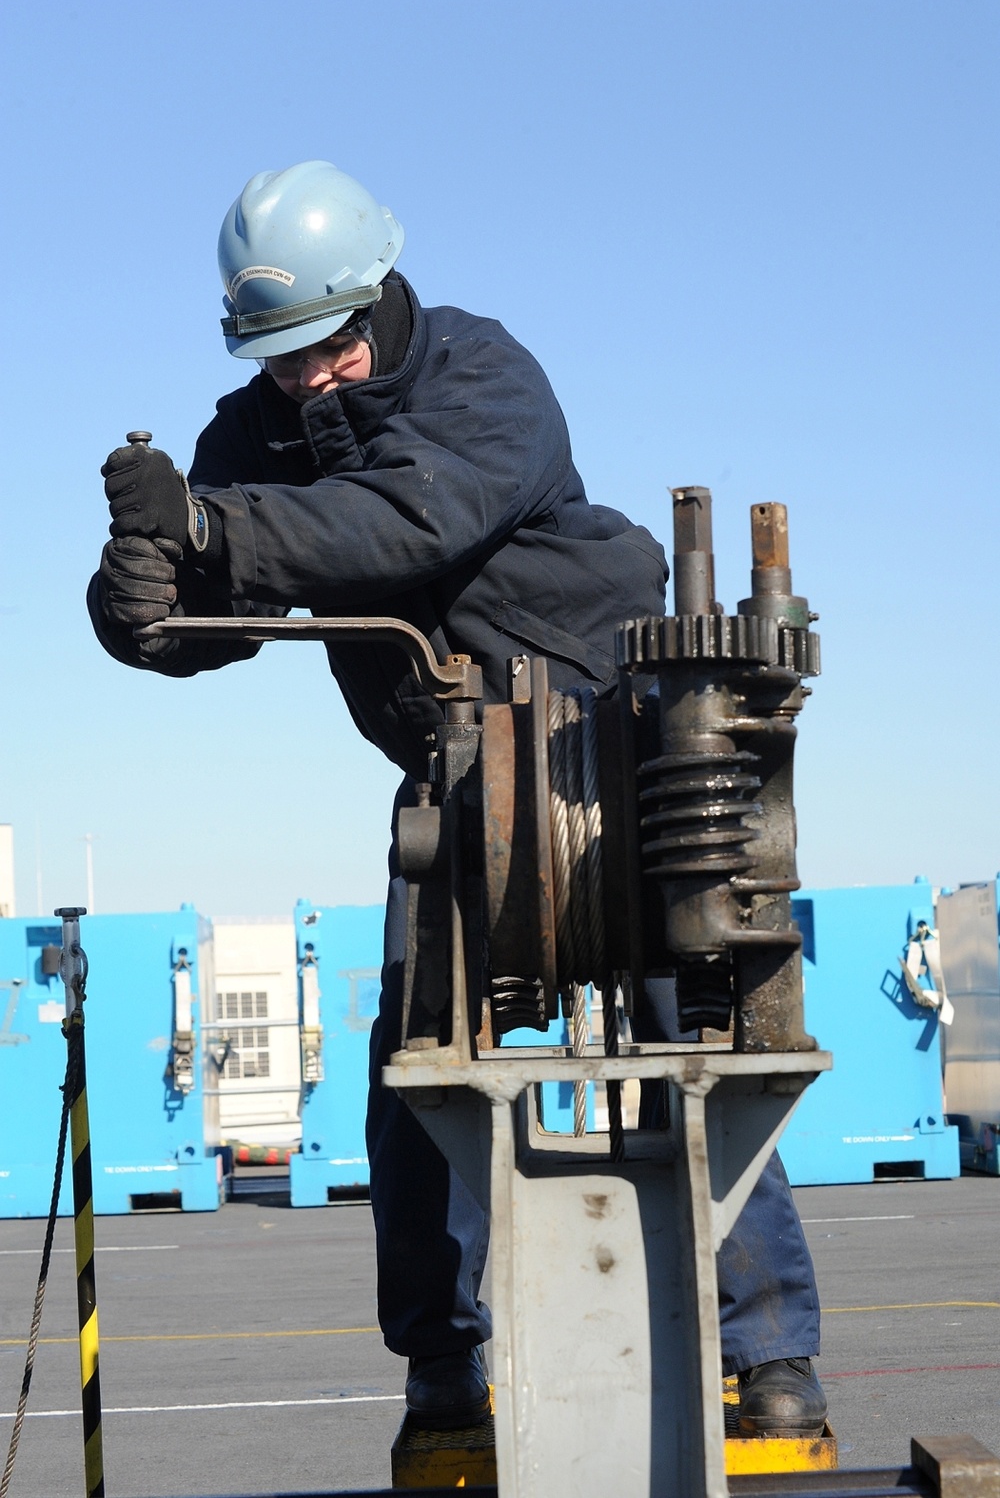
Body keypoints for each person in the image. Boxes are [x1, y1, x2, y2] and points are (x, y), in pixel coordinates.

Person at [88, 160, 828, 1437]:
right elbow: (215, 604)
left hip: (612, 734)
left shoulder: (486, 374)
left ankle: (767, 1353)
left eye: (328, 346)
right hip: (449, 772)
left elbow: (406, 522)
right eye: (280, 357)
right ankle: (443, 1370)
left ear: (376, 299)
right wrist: (139, 593)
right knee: (414, 1069)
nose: (307, 375)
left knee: (689, 1026)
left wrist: (214, 528)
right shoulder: (250, 435)